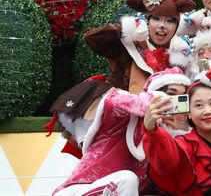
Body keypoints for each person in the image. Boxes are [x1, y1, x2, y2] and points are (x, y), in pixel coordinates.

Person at [50, 68, 191, 196]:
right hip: (78, 191)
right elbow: (111, 102)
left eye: (183, 98)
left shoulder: (173, 142)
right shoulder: (124, 119)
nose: (175, 103)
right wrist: (152, 101)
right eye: (171, 95)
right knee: (127, 179)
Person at [86, 0, 195, 93]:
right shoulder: (131, 46)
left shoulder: (183, 54)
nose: (162, 25)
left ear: (177, 25)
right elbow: (91, 39)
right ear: (147, 21)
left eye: (170, 20)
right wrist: (123, 30)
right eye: (156, 18)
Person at [142, 66, 211, 195]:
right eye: (198, 105)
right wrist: (151, 129)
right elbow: (166, 162)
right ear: (188, 113)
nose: (207, 111)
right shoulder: (185, 145)